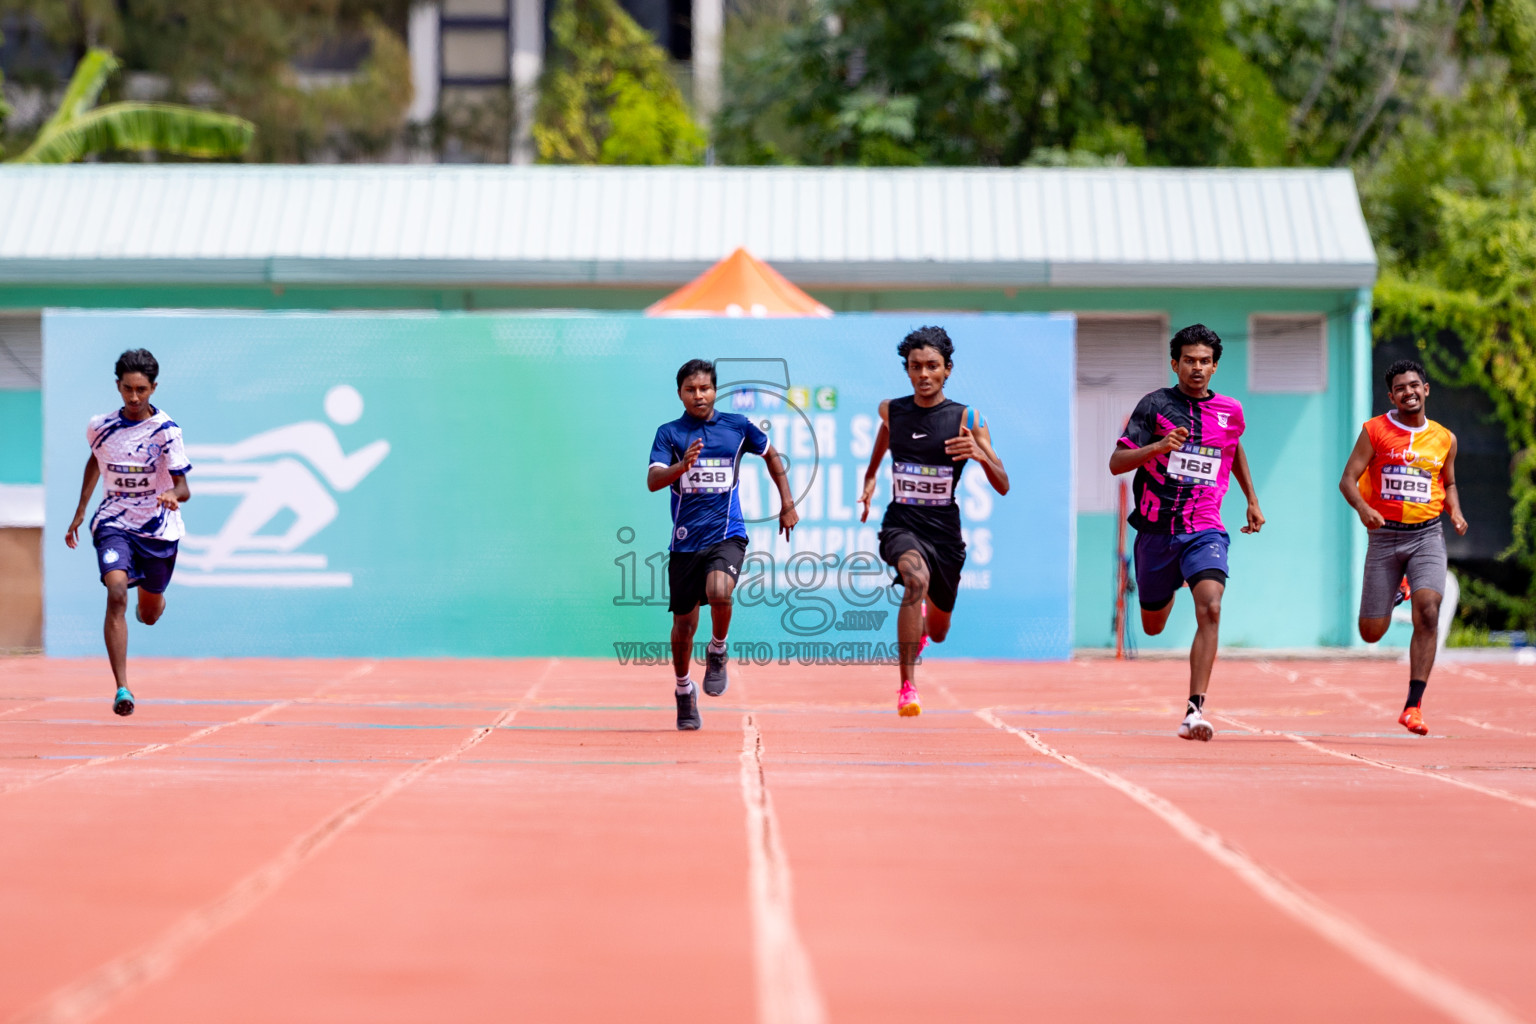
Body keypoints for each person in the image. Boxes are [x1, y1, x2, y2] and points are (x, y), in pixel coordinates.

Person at [1110, 324, 1264, 741]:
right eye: (1189, 361)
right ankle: (1168, 579)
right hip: (1157, 532)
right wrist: (1158, 448)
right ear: (1174, 363)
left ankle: (1194, 711)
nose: (1197, 368)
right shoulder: (1155, 406)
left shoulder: (1229, 411)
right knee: (1154, 624)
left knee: (1211, 607)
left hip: (1205, 528)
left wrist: (1251, 498)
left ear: (1214, 367)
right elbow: (1117, 462)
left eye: (1204, 361)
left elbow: (1233, 451)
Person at [858, 326, 1010, 717]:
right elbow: (885, 434)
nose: (923, 374)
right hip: (901, 524)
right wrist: (871, 476)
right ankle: (907, 688)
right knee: (914, 579)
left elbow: (1004, 483)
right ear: (906, 370)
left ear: (947, 370)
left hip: (944, 534)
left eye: (932, 366)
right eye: (915, 366)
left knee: (939, 632)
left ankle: (924, 628)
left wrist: (979, 453)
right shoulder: (892, 409)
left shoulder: (968, 417)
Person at [648, 359, 798, 730]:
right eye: (690, 390)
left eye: (705, 388)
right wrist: (680, 468)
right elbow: (653, 481)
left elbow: (772, 456)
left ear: (715, 390)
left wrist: (787, 503)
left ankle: (718, 649)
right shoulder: (669, 433)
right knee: (684, 625)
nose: (698, 395)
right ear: (680, 393)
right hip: (685, 543)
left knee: (720, 590)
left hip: (727, 532)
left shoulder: (737, 427)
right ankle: (684, 691)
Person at [1338, 358, 1467, 736]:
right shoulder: (1375, 431)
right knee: (1371, 632)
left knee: (1428, 611)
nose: (1408, 392)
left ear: (1425, 389)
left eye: (1414, 385)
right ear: (1391, 395)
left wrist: (1455, 511)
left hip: (1427, 534)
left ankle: (1414, 705)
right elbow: (1348, 479)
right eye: (1400, 388)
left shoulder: (1445, 438)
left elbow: (1451, 482)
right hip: (1384, 536)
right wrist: (1364, 509)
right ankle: (1398, 589)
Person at [64, 349, 193, 717]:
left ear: (153, 387)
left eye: (141, 389)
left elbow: (184, 488)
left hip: (157, 530)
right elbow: (96, 458)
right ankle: (122, 688)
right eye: (126, 389)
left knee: (149, 613)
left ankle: (150, 601)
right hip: (114, 522)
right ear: (118, 387)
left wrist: (170, 493)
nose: (133, 398)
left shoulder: (167, 432)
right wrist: (81, 510)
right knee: (116, 592)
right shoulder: (100, 426)